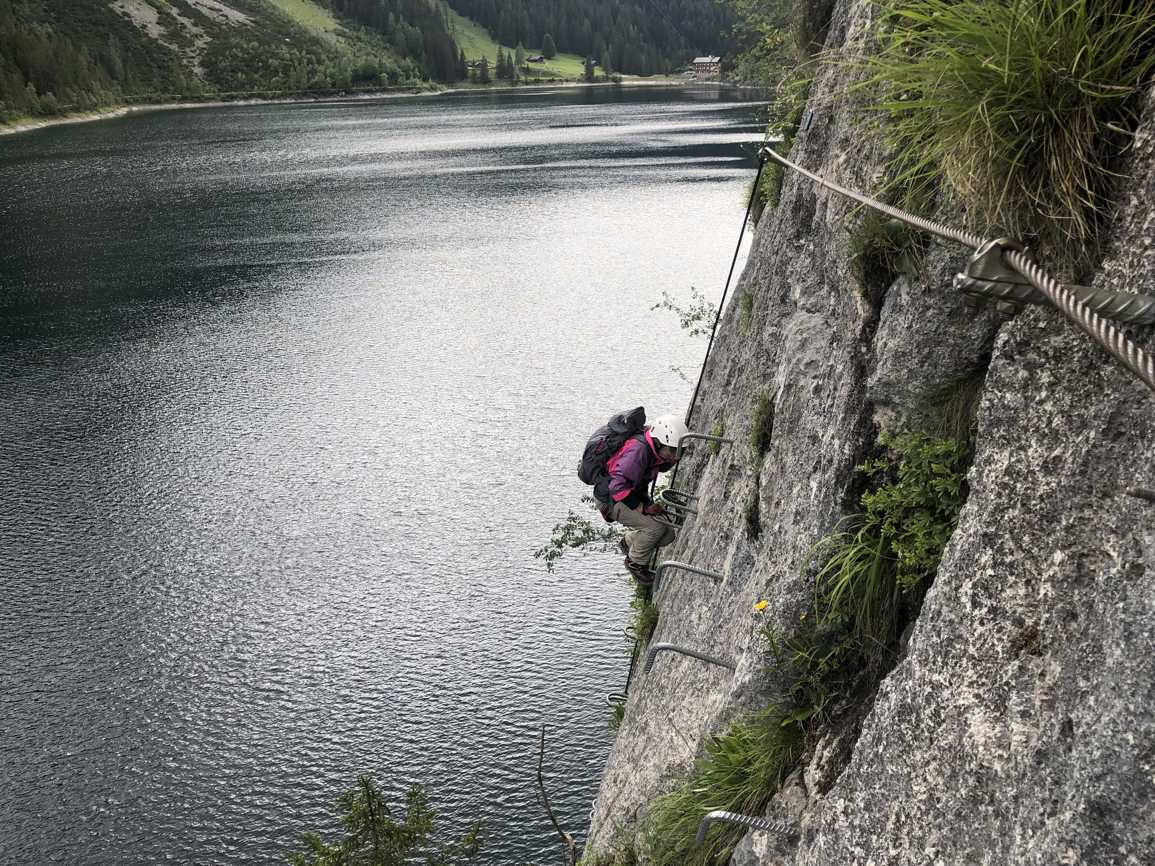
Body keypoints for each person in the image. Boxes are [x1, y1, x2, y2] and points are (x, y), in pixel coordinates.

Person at [605, 414, 689, 584]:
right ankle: (635, 564)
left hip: (632, 494)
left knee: (667, 535)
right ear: (659, 442)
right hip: (612, 499)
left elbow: (660, 466)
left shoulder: (653, 450)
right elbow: (616, 487)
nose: (676, 456)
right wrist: (643, 509)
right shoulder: (638, 452)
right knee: (655, 528)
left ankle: (628, 542)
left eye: (679, 452)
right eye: (673, 451)